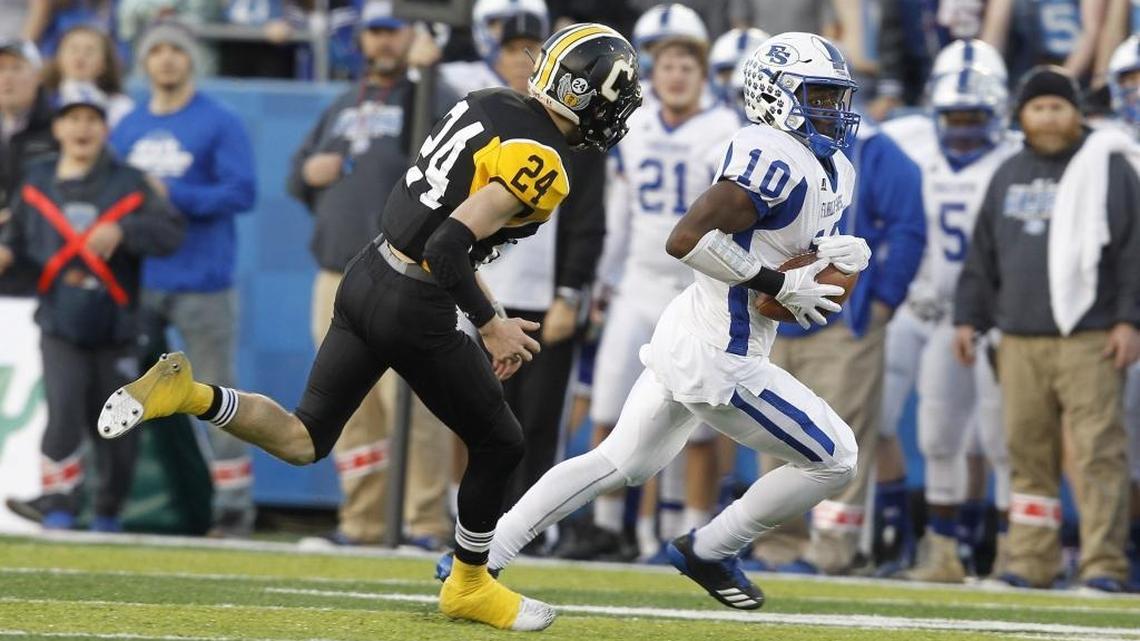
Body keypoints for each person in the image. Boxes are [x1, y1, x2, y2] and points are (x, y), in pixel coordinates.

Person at [99, 22, 642, 631]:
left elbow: (439, 226)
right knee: (501, 442)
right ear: (586, 94)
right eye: (617, 95)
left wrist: (486, 308)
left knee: (304, 439)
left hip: (368, 271)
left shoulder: (489, 102)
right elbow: (446, 245)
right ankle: (469, 585)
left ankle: (191, 395)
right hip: (415, 302)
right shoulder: (541, 160)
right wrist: (490, 324)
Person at [442, 32, 868, 610]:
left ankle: (480, 555)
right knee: (836, 458)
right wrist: (779, 284)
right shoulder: (773, 155)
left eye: (835, 96)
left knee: (620, 461)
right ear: (775, 95)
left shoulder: (833, 167)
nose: (832, 109)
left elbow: (785, 261)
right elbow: (686, 239)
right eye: (817, 95)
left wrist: (830, 260)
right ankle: (712, 548)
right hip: (722, 354)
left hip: (690, 332)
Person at [954, 66, 1140, 592]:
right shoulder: (1008, 172)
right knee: (1026, 451)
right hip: (1019, 335)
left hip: (1091, 334)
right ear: (1022, 116)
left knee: (1098, 450)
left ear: (1077, 113)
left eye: (1059, 107)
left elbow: (1134, 250)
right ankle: (1032, 560)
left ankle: (1103, 565)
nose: (1050, 117)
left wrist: (1129, 319)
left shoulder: (1109, 167)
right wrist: (968, 316)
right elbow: (983, 253)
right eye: (1039, 108)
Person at [286, 0, 457, 548]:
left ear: (411, 36)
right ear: (361, 39)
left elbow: (453, 157)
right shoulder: (343, 103)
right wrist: (309, 172)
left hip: (401, 274)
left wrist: (428, 75)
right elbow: (296, 176)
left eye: (393, 31)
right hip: (335, 275)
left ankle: (423, 522)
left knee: (412, 402)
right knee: (348, 405)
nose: (383, 41)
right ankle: (362, 521)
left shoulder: (429, 95)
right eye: (375, 32)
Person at [576, 28, 739, 561]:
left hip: (694, 289)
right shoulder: (636, 122)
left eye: (686, 68)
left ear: (702, 76)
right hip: (638, 283)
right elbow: (620, 215)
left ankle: (691, 532)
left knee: (700, 423)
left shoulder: (724, 130)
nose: (675, 76)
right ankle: (604, 526)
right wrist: (603, 281)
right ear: (654, 72)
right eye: (667, 66)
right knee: (608, 405)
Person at [751, 101, 925, 576]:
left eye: (831, 93)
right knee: (773, 430)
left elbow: (908, 225)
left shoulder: (874, 150)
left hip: (843, 322)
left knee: (841, 435)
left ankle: (832, 548)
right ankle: (777, 542)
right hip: (777, 313)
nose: (824, 104)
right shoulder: (769, 146)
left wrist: (882, 300)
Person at [0, 82, 184, 532]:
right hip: (58, 321)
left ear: (105, 129)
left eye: (91, 119)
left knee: (118, 425)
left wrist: (125, 231)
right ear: (57, 128)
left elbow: (170, 234)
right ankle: (58, 506)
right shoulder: (37, 179)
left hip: (117, 325)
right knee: (62, 411)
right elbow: (17, 237)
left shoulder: (130, 181)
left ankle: (107, 512)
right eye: (72, 119)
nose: (81, 129)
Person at [110, 23, 258, 538]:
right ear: (144, 62)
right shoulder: (127, 126)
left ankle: (234, 506)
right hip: (140, 280)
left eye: (177, 49)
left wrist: (174, 194)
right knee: (123, 392)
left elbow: (242, 192)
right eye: (157, 50)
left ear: (191, 58)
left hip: (203, 281)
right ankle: (115, 500)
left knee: (217, 395)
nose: (167, 59)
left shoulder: (220, 120)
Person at [877, 52, 1020, 584]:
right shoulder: (912, 143)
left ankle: (1012, 551)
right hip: (938, 314)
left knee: (1001, 438)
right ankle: (942, 552)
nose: (961, 130)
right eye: (952, 117)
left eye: (972, 118)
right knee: (937, 434)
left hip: (996, 315)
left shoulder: (1014, 157)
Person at [1107, 31, 1140, 589]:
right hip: (1123, 311)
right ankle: (1128, 547)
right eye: (1131, 83)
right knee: (1126, 438)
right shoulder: (1104, 147)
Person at [0, 39, 56, 297]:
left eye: (16, 68)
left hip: (42, 267)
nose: (7, 77)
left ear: (37, 76)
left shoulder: (60, 129)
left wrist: (15, 219)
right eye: (1, 69)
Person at [42, 25, 133, 127]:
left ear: (104, 63)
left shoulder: (119, 106)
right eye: (73, 49)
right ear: (58, 57)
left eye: (90, 51)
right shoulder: (42, 102)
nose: (80, 56)